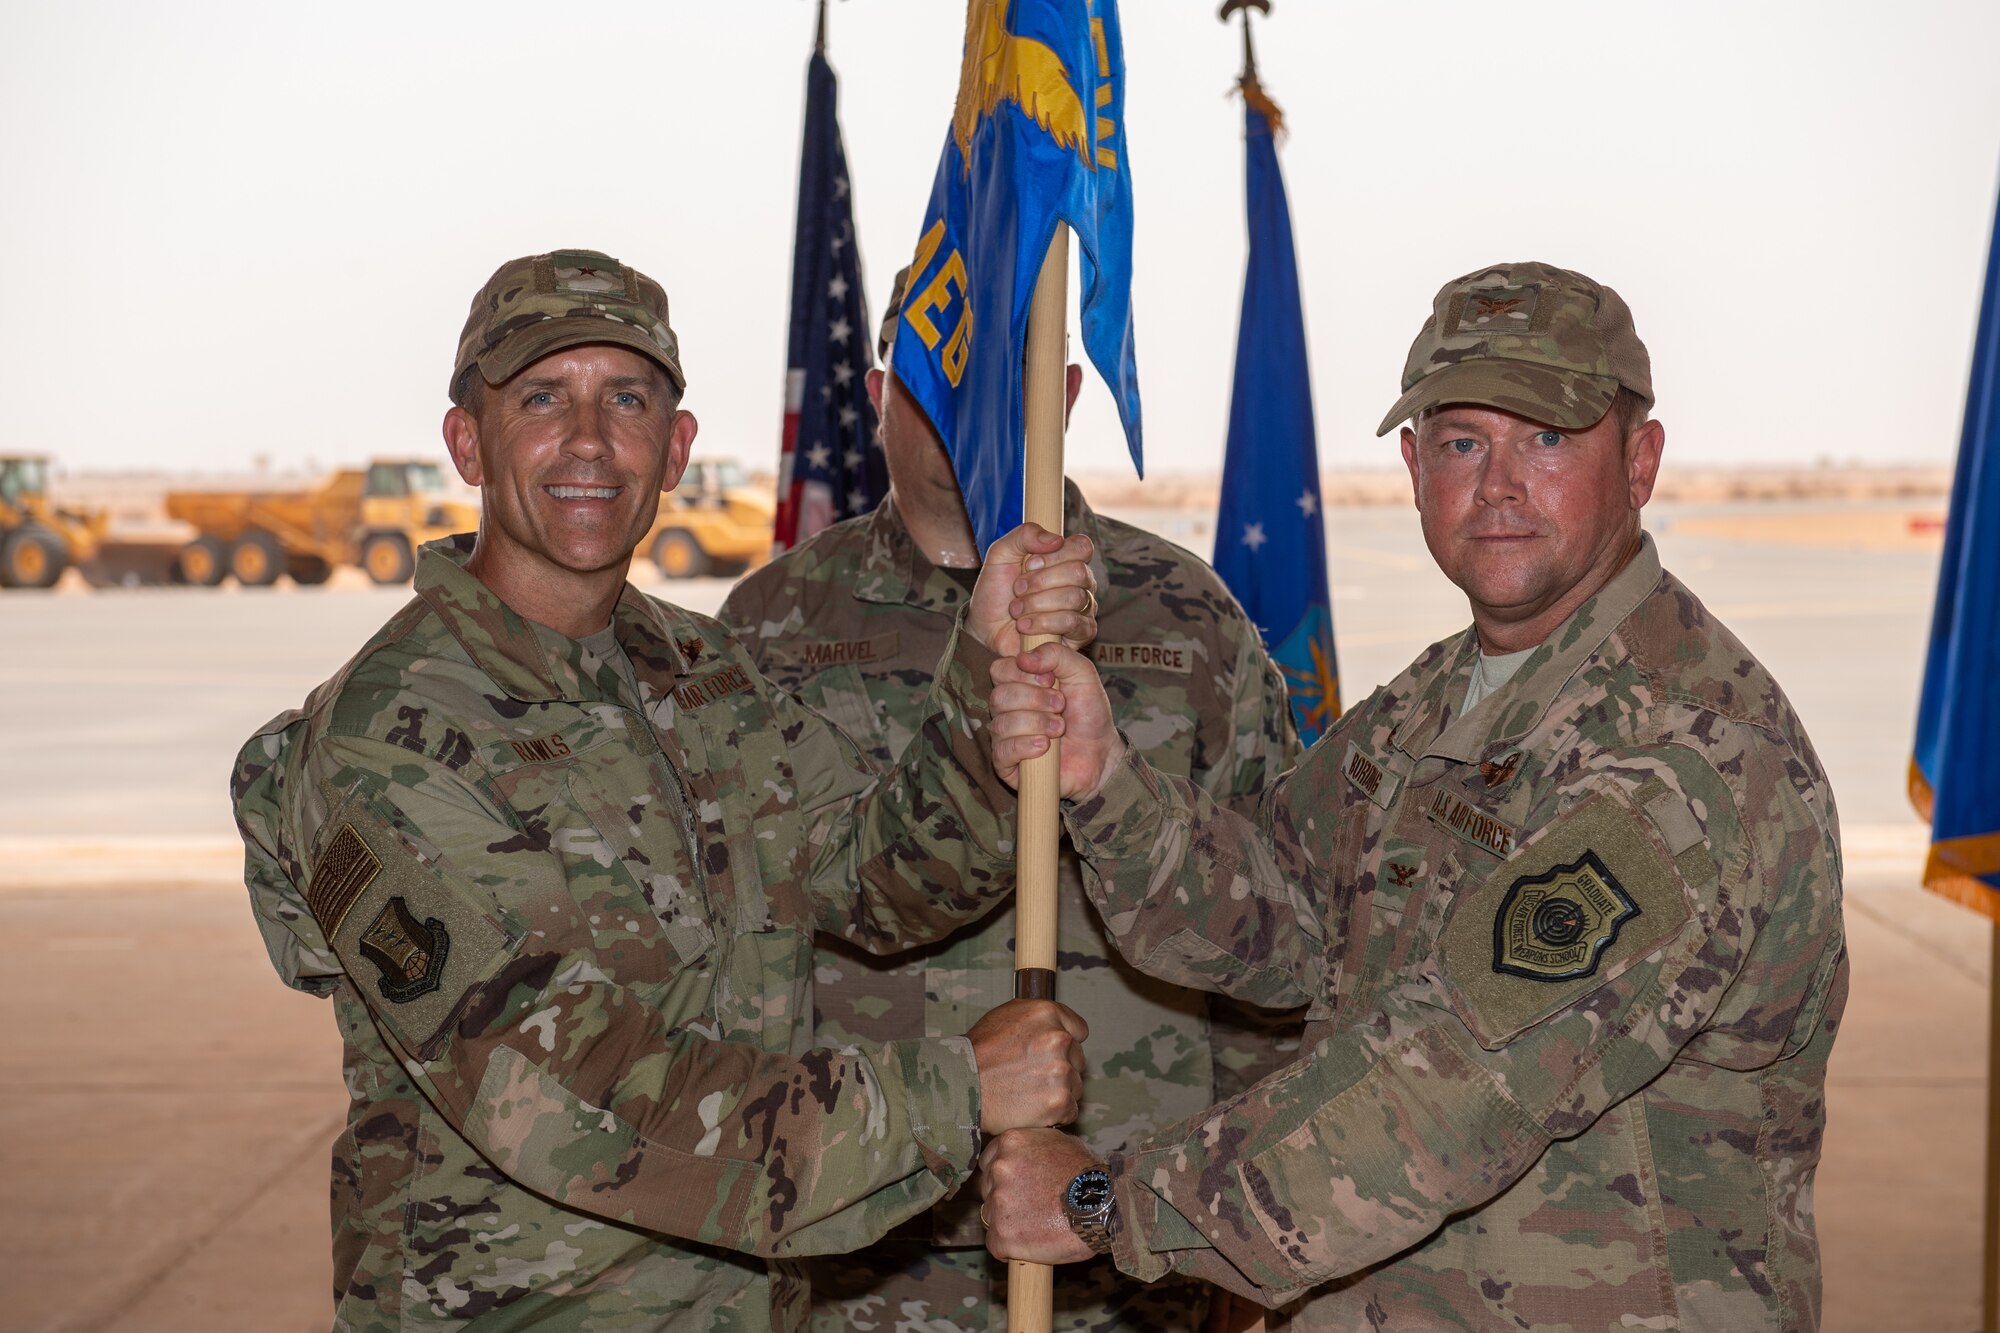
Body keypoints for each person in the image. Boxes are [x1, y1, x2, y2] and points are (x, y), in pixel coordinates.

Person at [229, 248, 1101, 1331]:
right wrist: (954, 1092)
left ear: (675, 447)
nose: (588, 442)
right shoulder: (389, 738)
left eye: (627, 400)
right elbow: (561, 1097)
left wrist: (982, 680)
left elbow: (882, 877)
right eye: (543, 398)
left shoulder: (707, 678)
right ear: (468, 442)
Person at [977, 261, 1848, 1330]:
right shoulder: (1431, 706)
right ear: (1410, 466)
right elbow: (1277, 921)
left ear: (1639, 462)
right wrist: (1102, 779)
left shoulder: (1689, 753)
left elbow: (1442, 1095)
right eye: (1461, 442)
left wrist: (1111, 1202)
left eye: (1547, 438)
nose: (1497, 483)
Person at [720, 269, 1302, 1332]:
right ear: (878, 389)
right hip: (857, 1250)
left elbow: (1275, 946)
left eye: (1000, 376)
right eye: (930, 373)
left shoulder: (1186, 619)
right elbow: (753, 942)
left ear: (1065, 392)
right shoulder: (772, 626)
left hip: (1124, 1236)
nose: (957, 407)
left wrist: (1240, 1238)